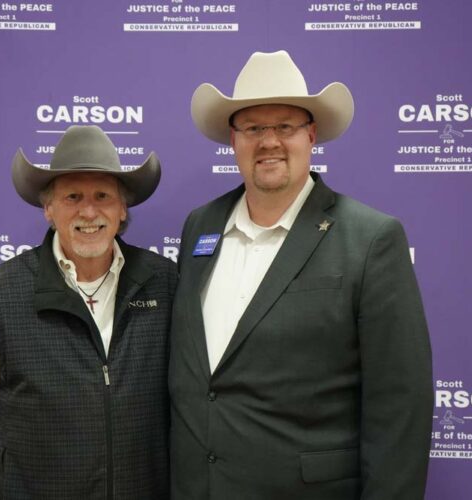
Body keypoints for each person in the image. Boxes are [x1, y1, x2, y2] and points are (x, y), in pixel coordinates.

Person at [169, 50, 433, 499]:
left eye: (285, 126)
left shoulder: (371, 238)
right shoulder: (200, 225)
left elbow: (401, 404)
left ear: (311, 135)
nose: (269, 141)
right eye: (253, 128)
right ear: (233, 140)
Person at [0, 125, 177, 499]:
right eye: (73, 196)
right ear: (48, 208)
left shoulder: (166, 284)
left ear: (122, 208)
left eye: (103, 195)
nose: (89, 211)